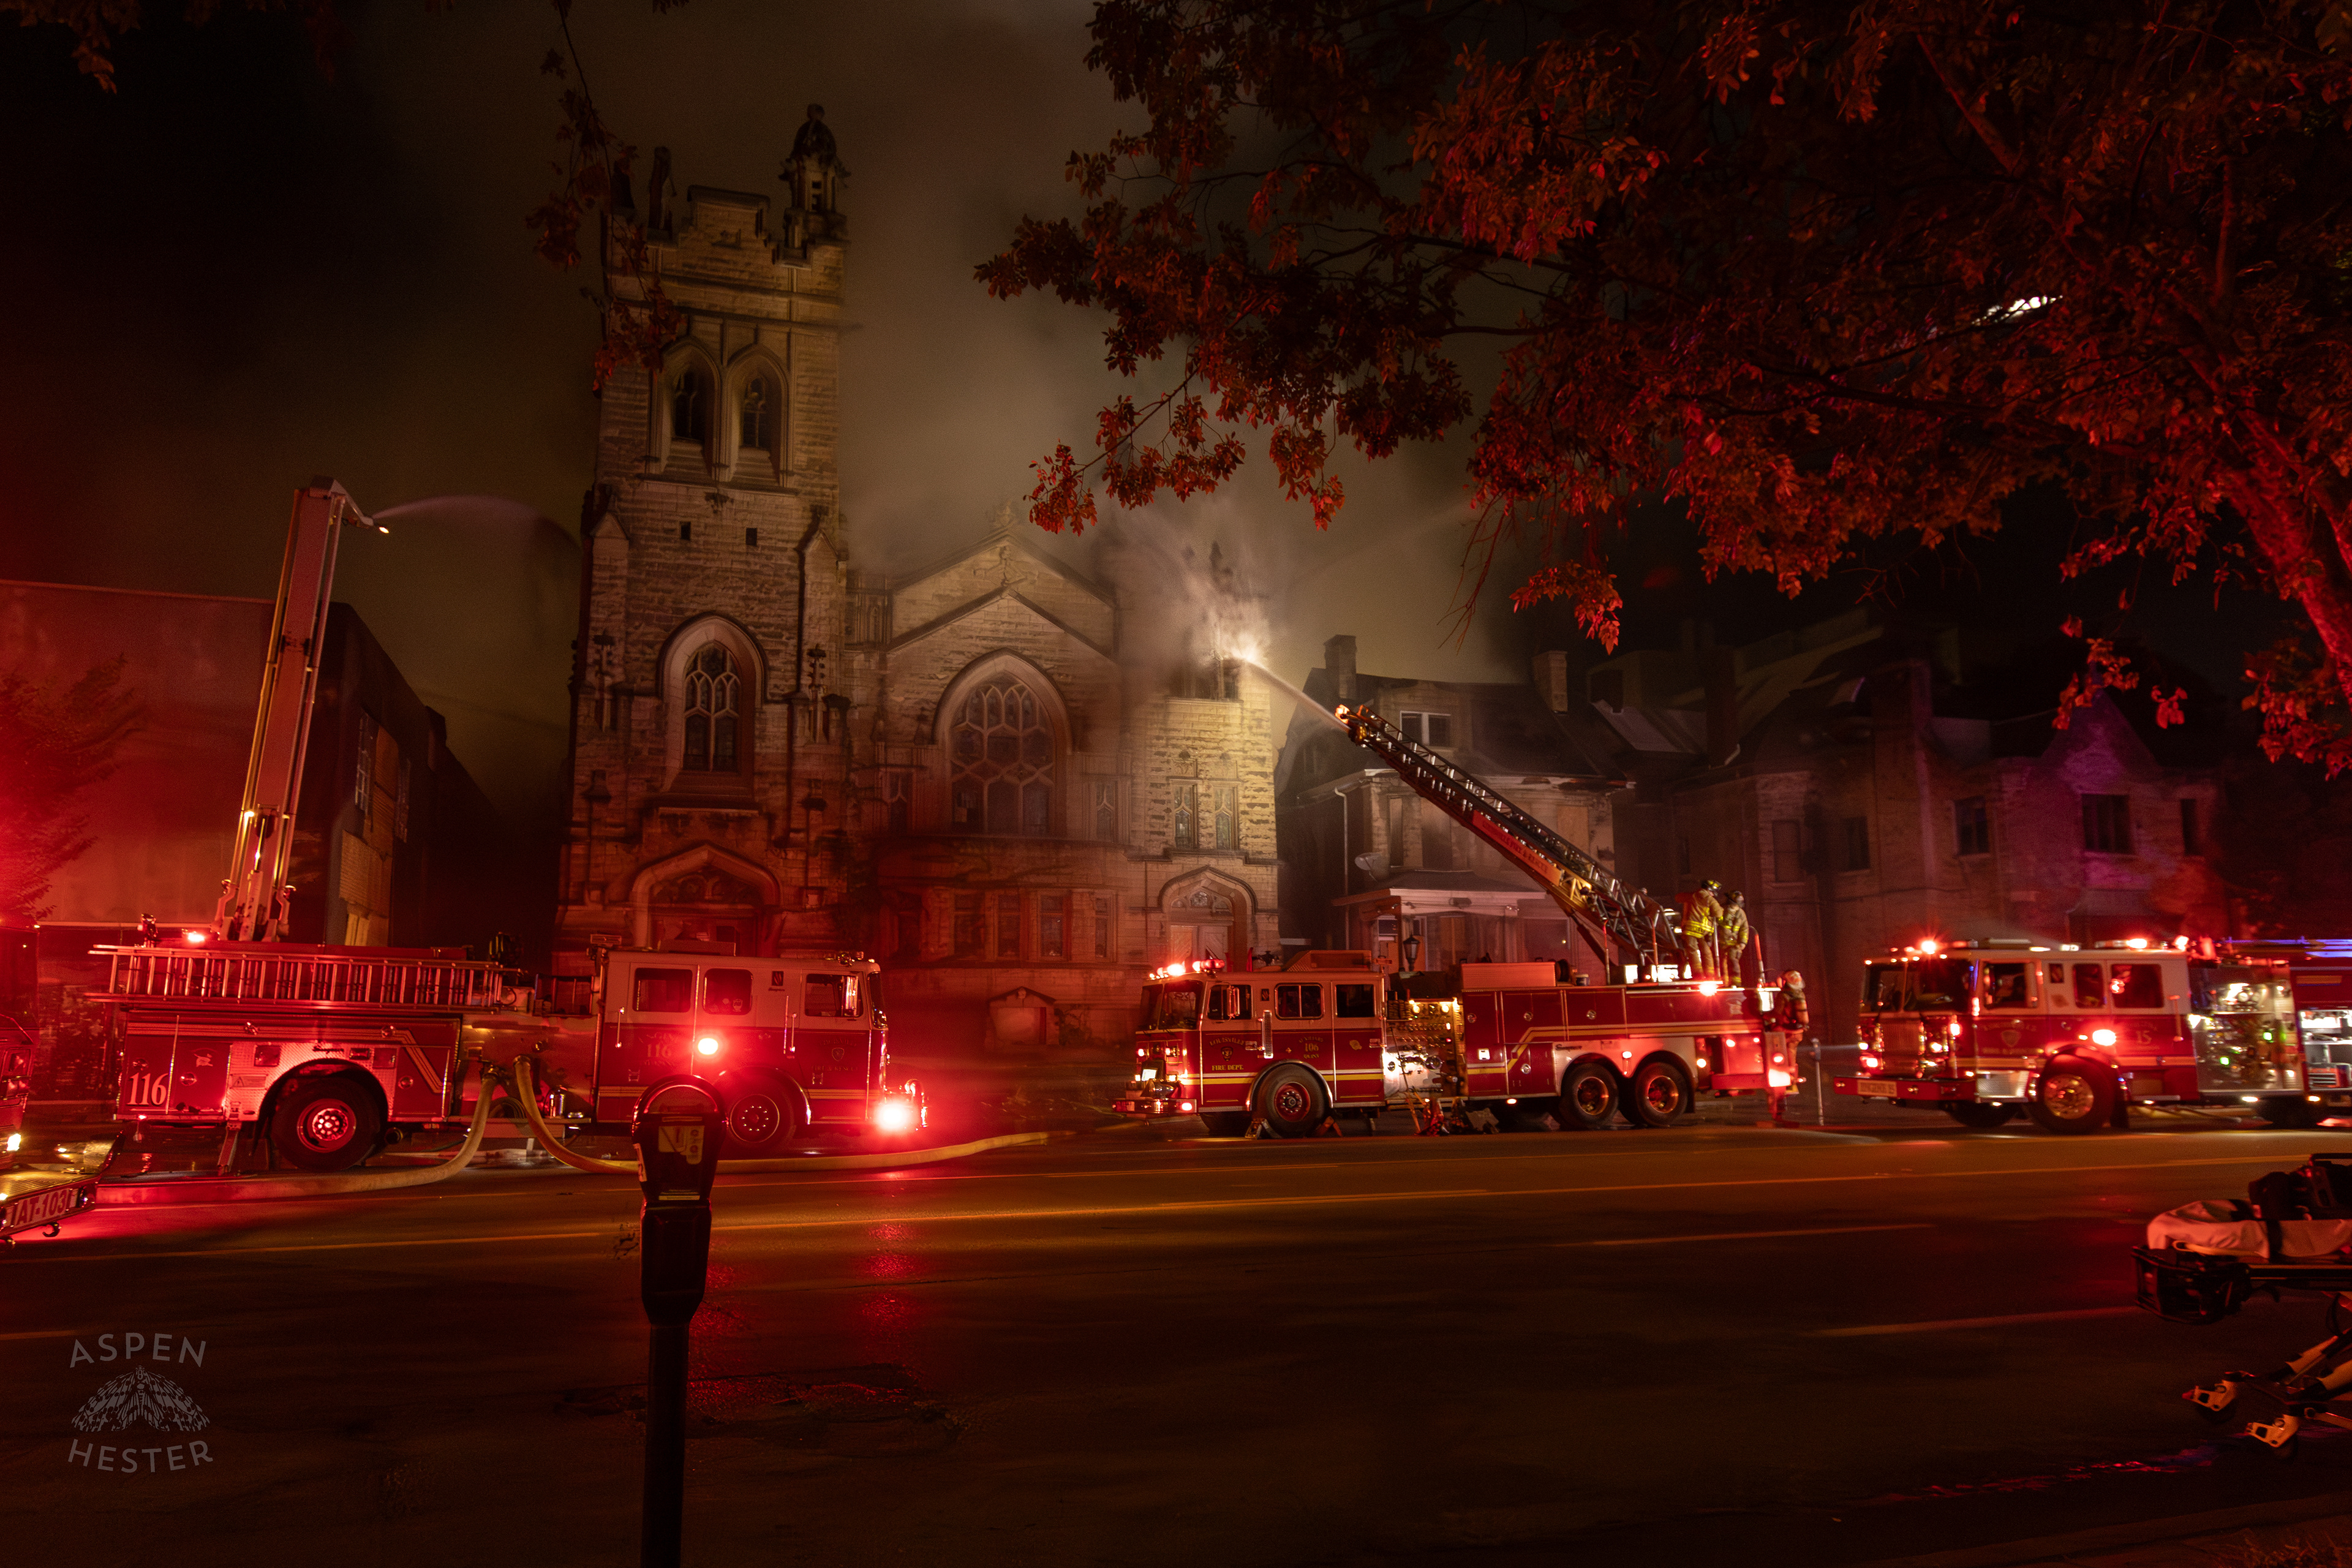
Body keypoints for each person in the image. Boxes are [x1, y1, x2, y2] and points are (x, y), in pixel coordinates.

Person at [1680, 880, 1724, 978]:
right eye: (1712, 892)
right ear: (1709, 890)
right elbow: (1718, 914)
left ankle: (1698, 974)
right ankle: (1710, 975)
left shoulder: (1692, 896)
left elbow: (1678, 897)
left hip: (1689, 929)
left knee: (1692, 952)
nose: (1713, 895)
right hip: (1703, 932)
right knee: (1706, 952)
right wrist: (1720, 909)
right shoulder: (1710, 900)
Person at [1718, 892, 1750, 983]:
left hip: (1735, 944)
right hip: (1721, 942)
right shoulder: (1722, 910)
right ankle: (1724, 982)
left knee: (1733, 961)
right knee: (1721, 963)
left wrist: (1743, 942)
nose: (1736, 907)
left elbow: (1745, 928)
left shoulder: (1741, 914)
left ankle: (1735, 982)